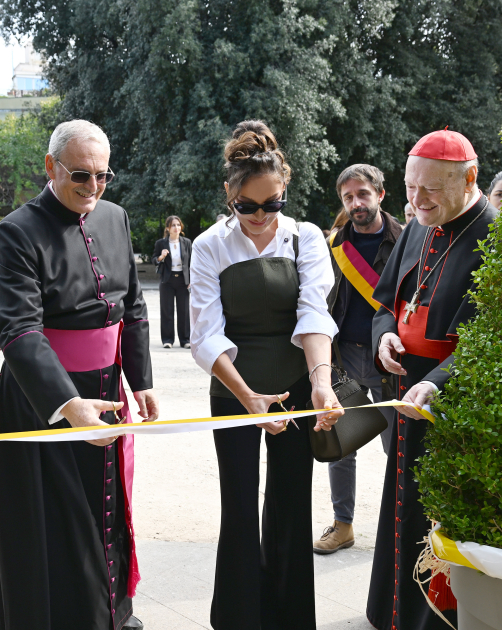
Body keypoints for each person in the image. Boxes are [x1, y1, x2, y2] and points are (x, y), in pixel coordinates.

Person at [0, 119, 158, 630]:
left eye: (103, 177)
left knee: (110, 513)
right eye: (81, 175)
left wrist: (141, 379)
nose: (93, 188)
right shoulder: (17, 232)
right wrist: (66, 404)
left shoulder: (115, 216)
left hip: (106, 389)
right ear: (51, 167)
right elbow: (19, 330)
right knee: (57, 527)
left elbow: (131, 305)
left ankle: (113, 614)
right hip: (45, 401)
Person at [189, 120, 343, 630]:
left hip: (298, 388)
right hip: (234, 390)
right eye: (247, 206)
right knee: (238, 506)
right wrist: (247, 396)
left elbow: (314, 314)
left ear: (285, 191)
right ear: (228, 195)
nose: (261, 216)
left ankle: (289, 618)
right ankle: (238, 619)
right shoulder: (209, 245)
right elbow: (206, 335)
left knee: (292, 502)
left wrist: (320, 382)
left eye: (272, 204)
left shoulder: (307, 240)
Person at [366, 129, 497, 630]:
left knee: (437, 509)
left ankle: (432, 621)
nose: (416, 201)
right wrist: (384, 339)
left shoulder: (494, 236)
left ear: (469, 178)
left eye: (430, 190)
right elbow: (384, 305)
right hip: (405, 384)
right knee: (400, 497)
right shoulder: (420, 224)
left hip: (450, 398)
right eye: (409, 187)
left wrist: (439, 381)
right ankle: (393, 610)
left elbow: (488, 337)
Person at [314, 164, 403, 556]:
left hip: (390, 362)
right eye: (348, 197)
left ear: (381, 194)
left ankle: (401, 527)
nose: (356, 203)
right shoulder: (332, 245)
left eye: (363, 194)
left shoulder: (407, 238)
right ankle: (343, 524)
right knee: (341, 446)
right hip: (344, 359)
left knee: (397, 449)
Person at [152, 216, 192, 348]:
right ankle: (167, 340)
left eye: (178, 225)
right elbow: (154, 260)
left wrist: (191, 280)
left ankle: (185, 340)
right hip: (167, 281)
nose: (176, 228)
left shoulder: (186, 242)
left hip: (183, 280)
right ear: (168, 228)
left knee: (184, 312)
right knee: (167, 311)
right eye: (173, 225)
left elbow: (192, 262)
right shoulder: (161, 243)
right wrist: (161, 256)